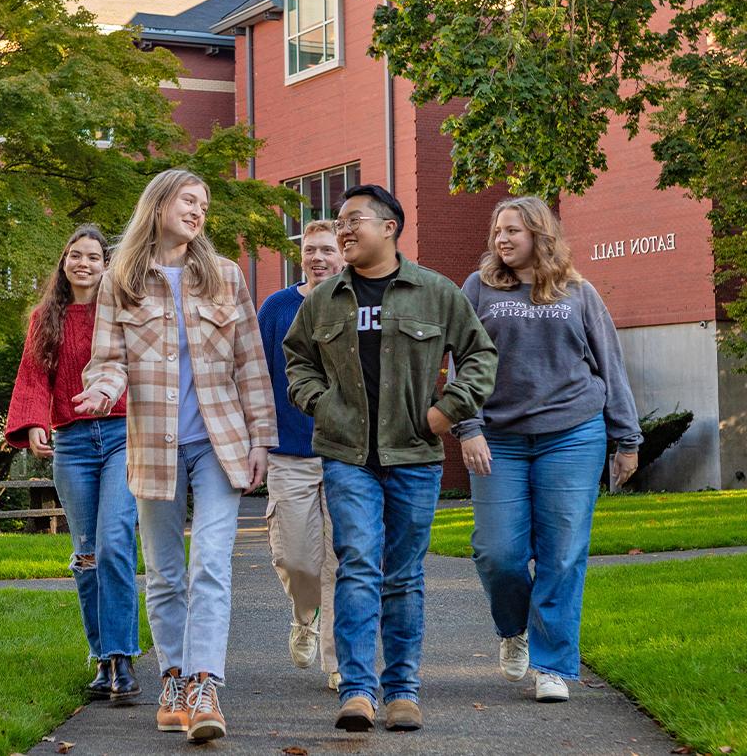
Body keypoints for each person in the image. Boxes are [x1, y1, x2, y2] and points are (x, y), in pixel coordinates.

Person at [283, 184, 496, 733]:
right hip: (346, 454)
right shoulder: (323, 299)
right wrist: (321, 404)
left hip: (414, 455)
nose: (344, 229)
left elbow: (479, 355)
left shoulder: (436, 292)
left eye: (354, 220)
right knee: (357, 562)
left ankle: (403, 690)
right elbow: (296, 361)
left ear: (389, 227)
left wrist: (447, 412)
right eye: (339, 221)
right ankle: (357, 691)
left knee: (402, 574)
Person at [74, 168, 276, 744]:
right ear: (158, 203)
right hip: (152, 442)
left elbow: (250, 363)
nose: (198, 211)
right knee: (164, 570)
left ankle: (204, 684)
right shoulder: (121, 280)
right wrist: (104, 389)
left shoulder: (225, 276)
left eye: (204, 205)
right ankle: (171, 679)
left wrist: (261, 438)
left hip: (220, 442)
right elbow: (107, 358)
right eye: (189, 200)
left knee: (211, 562)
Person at [454, 196, 641, 703]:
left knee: (562, 553)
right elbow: (461, 361)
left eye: (512, 230)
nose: (502, 239)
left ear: (540, 234)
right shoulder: (478, 288)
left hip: (573, 433)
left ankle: (553, 664)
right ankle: (513, 629)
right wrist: (467, 426)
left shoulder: (578, 292)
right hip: (499, 437)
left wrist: (627, 438)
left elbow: (610, 365)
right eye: (497, 232)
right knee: (499, 554)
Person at [5, 224, 141, 702]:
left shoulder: (120, 312)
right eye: (74, 256)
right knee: (86, 551)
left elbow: (140, 367)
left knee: (114, 543)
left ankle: (124, 658)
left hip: (124, 435)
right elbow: (33, 375)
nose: (82, 263)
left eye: (92, 257)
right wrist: (33, 422)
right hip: (72, 442)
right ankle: (102, 659)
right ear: (64, 263)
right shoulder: (46, 317)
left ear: (106, 265)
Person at [257, 219, 344, 691]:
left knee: (337, 559)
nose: (318, 258)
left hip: (345, 453)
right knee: (294, 557)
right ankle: (303, 615)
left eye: (327, 250)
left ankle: (338, 663)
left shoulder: (357, 302)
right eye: (310, 250)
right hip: (289, 451)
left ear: (343, 255)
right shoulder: (276, 307)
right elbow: (253, 372)